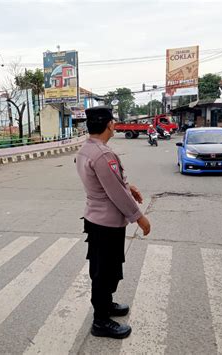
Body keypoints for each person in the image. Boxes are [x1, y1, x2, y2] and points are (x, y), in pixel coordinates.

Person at [76, 106, 151, 339]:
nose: (115, 124)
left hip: (97, 220)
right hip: (106, 224)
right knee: (104, 272)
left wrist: (129, 186)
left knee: (106, 268)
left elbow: (112, 183)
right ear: (109, 125)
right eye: (113, 121)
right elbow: (115, 192)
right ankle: (100, 321)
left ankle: (106, 305)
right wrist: (139, 217)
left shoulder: (87, 150)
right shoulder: (102, 154)